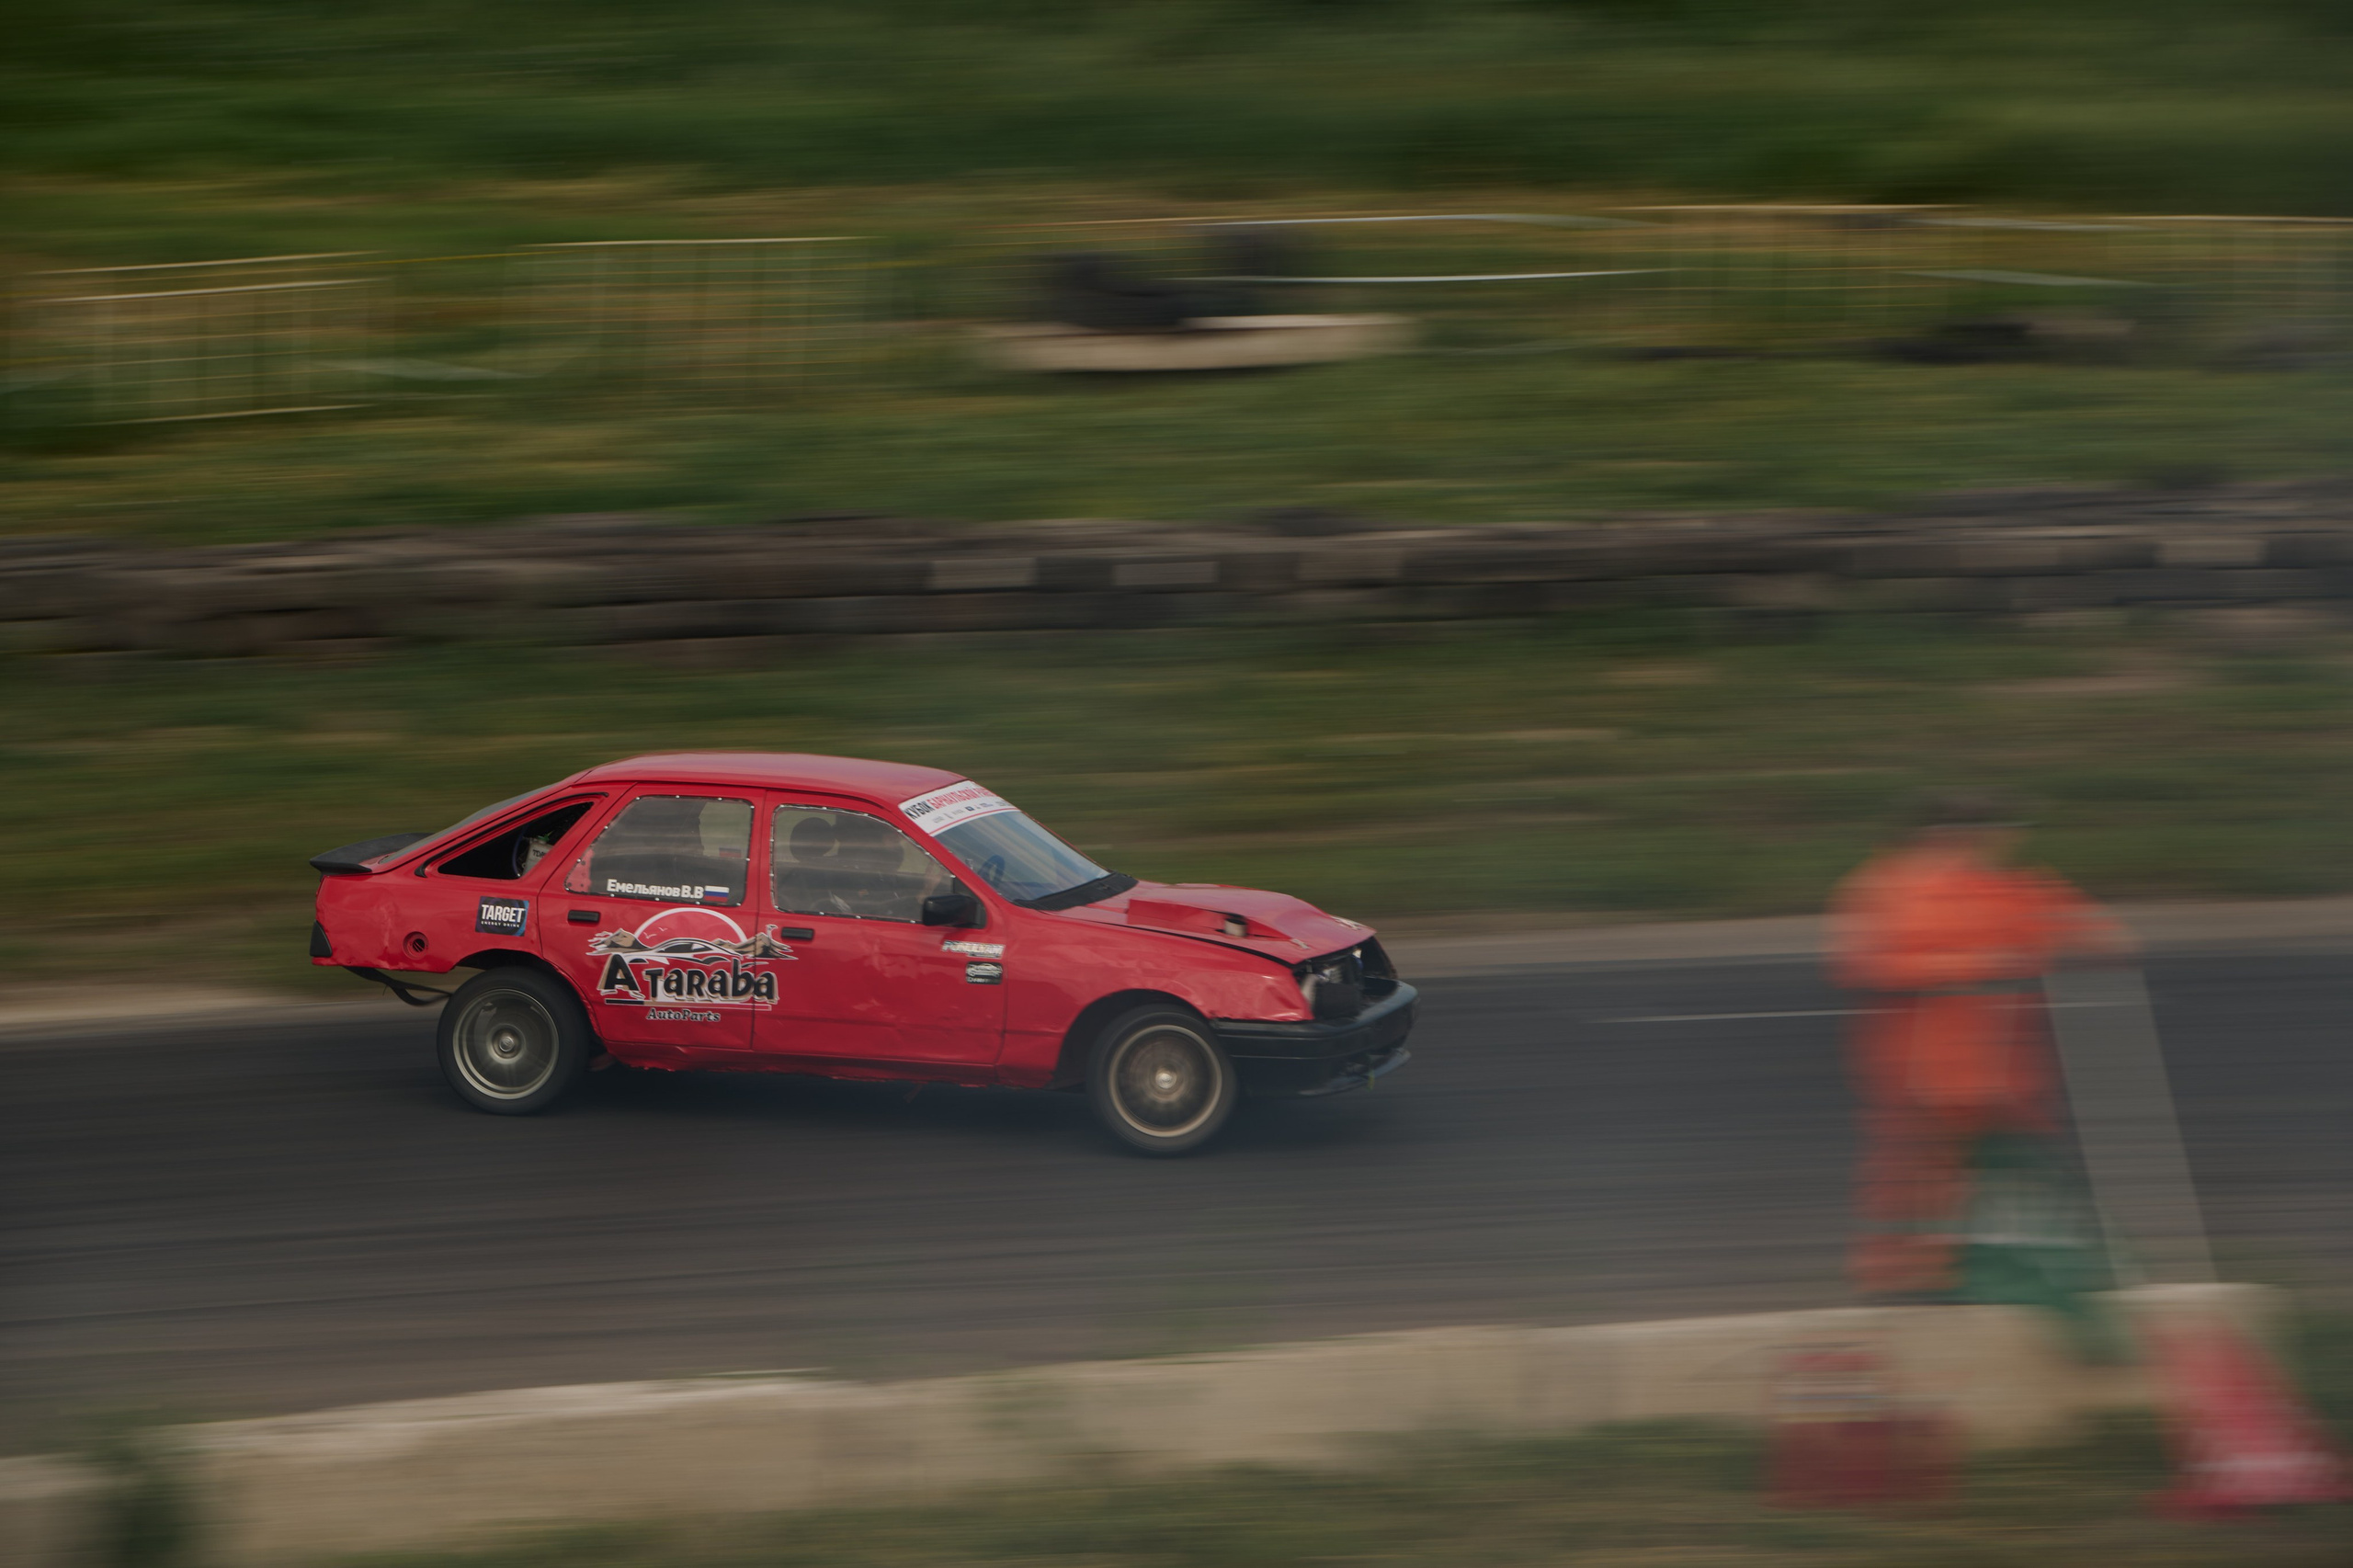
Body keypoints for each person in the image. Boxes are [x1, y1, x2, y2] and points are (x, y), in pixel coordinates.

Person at [1828, 791, 2128, 1301]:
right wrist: (1981, 964)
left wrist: (2063, 934)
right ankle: (1907, 1285)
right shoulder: (1890, 889)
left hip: (2000, 1076)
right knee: (1916, 1187)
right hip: (1924, 1077)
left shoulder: (2011, 889)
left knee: (2016, 1181)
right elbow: (1870, 963)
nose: (2010, 841)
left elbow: (2106, 938)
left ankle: (2013, 1275)